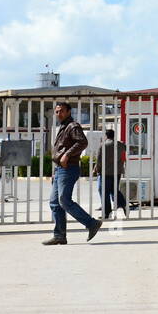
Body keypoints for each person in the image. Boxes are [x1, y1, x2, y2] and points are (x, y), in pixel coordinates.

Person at [44, 102, 100, 245]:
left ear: (69, 111)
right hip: (60, 170)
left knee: (64, 200)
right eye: (56, 112)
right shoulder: (63, 127)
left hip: (69, 168)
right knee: (55, 203)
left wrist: (67, 155)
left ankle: (91, 223)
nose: (59, 114)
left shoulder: (72, 126)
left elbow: (82, 142)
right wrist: (55, 170)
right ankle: (59, 235)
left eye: (61, 111)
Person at [93, 129, 129, 219]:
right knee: (114, 190)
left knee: (103, 191)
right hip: (117, 172)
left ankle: (107, 212)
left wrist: (97, 169)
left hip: (106, 172)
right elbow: (126, 147)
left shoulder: (103, 145)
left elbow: (99, 160)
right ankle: (124, 204)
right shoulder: (120, 144)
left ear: (106, 136)